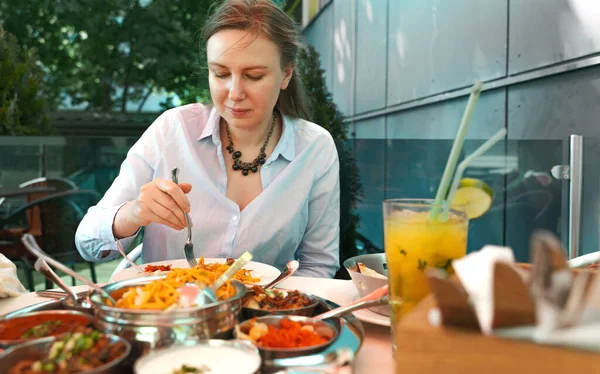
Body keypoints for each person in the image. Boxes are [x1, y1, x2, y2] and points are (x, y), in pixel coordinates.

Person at [75, 0, 340, 278]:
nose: (234, 92)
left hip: (260, 317)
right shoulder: (172, 129)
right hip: (163, 311)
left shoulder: (315, 148)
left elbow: (318, 266)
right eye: (221, 73)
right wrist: (134, 213)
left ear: (286, 74)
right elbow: (87, 242)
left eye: (253, 76)